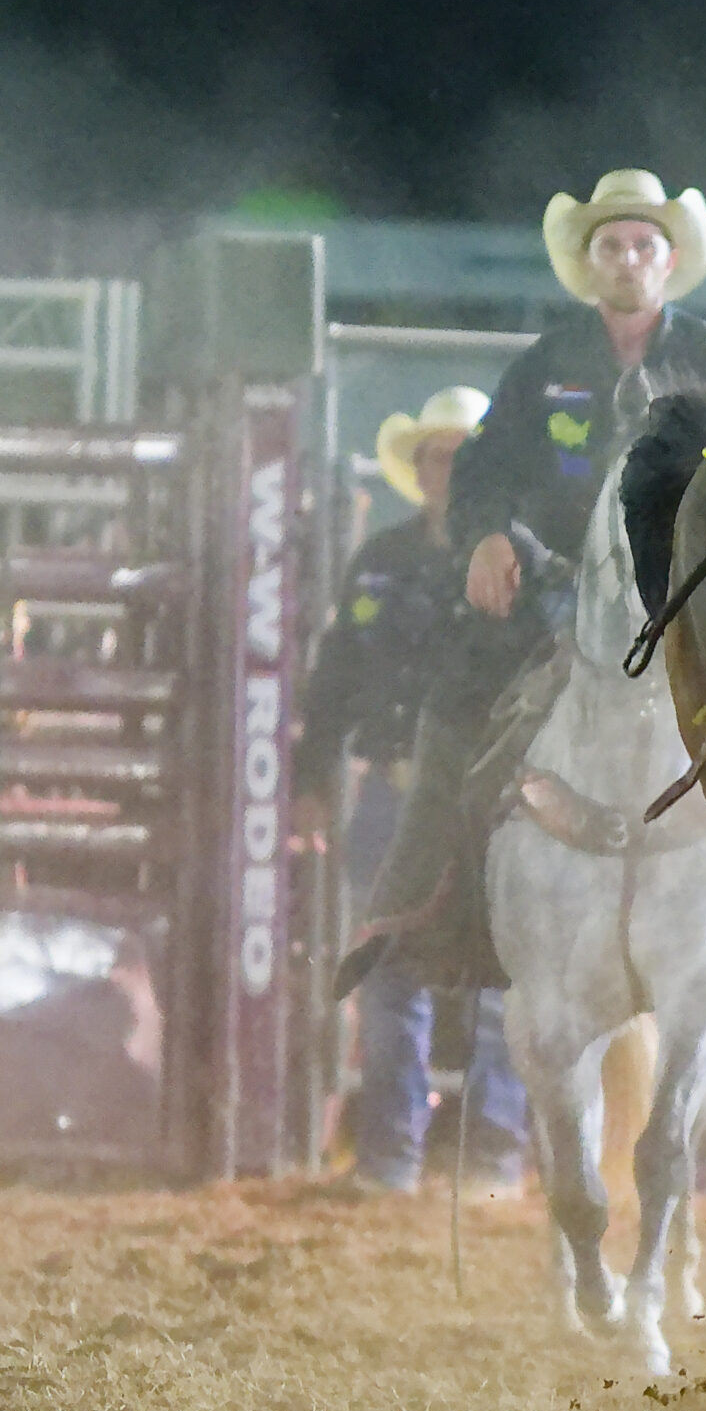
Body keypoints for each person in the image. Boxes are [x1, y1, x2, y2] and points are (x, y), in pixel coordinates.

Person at [340, 172, 706, 990]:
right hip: (556, 594)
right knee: (458, 710)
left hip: (690, 599)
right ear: (592, 261)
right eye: (612, 245)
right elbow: (485, 469)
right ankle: (417, 909)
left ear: (668, 258)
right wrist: (488, 534)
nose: (629, 257)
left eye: (643, 243)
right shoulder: (545, 365)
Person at [296, 387, 530, 1195]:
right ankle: (393, 1156)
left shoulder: (519, 561)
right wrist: (311, 772)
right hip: (397, 790)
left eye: (464, 458)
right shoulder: (383, 561)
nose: (448, 470)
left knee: (501, 975)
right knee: (391, 969)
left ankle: (490, 1155)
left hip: (493, 797)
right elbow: (336, 669)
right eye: (438, 455)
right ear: (421, 468)